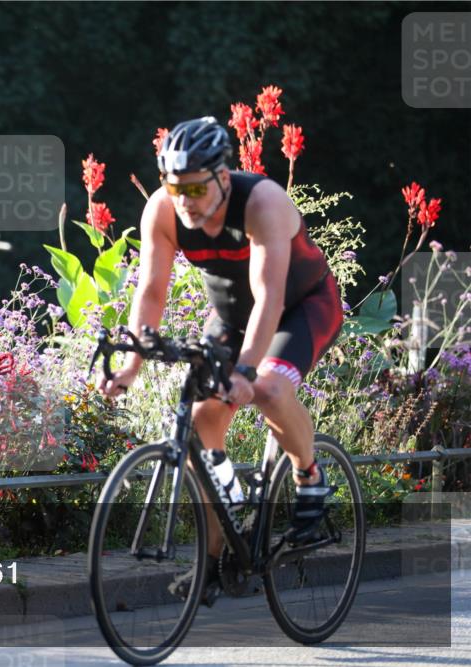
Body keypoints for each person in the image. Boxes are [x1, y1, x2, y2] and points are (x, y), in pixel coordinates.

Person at [98, 116, 343, 602]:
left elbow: (270, 297)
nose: (184, 199)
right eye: (174, 186)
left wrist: (247, 372)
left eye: (194, 187)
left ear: (222, 178)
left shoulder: (262, 202)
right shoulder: (162, 211)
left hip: (302, 306)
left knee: (270, 388)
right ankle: (213, 559)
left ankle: (309, 475)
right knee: (204, 419)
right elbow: (150, 292)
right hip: (232, 315)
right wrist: (132, 364)